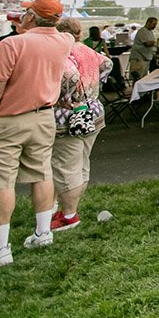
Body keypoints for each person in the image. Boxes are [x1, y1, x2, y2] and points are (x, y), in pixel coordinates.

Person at [0, 0, 75, 268]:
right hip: (43, 117)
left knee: (2, 181)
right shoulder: (65, 41)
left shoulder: (12, 44)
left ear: (30, 17)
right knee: (41, 172)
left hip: (8, 119)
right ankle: (43, 233)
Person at [49, 18, 112, 232]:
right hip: (93, 111)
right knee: (82, 163)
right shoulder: (87, 50)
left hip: (70, 115)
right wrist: (94, 87)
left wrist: (65, 95)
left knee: (66, 165)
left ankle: (69, 215)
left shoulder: (65, 52)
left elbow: (70, 74)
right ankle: (70, 207)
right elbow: (107, 63)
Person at [128, 17, 158, 83]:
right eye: (153, 24)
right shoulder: (143, 31)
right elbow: (147, 43)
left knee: (143, 77)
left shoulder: (150, 32)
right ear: (148, 22)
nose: (155, 26)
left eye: (156, 24)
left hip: (145, 58)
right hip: (139, 58)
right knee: (138, 77)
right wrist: (156, 42)